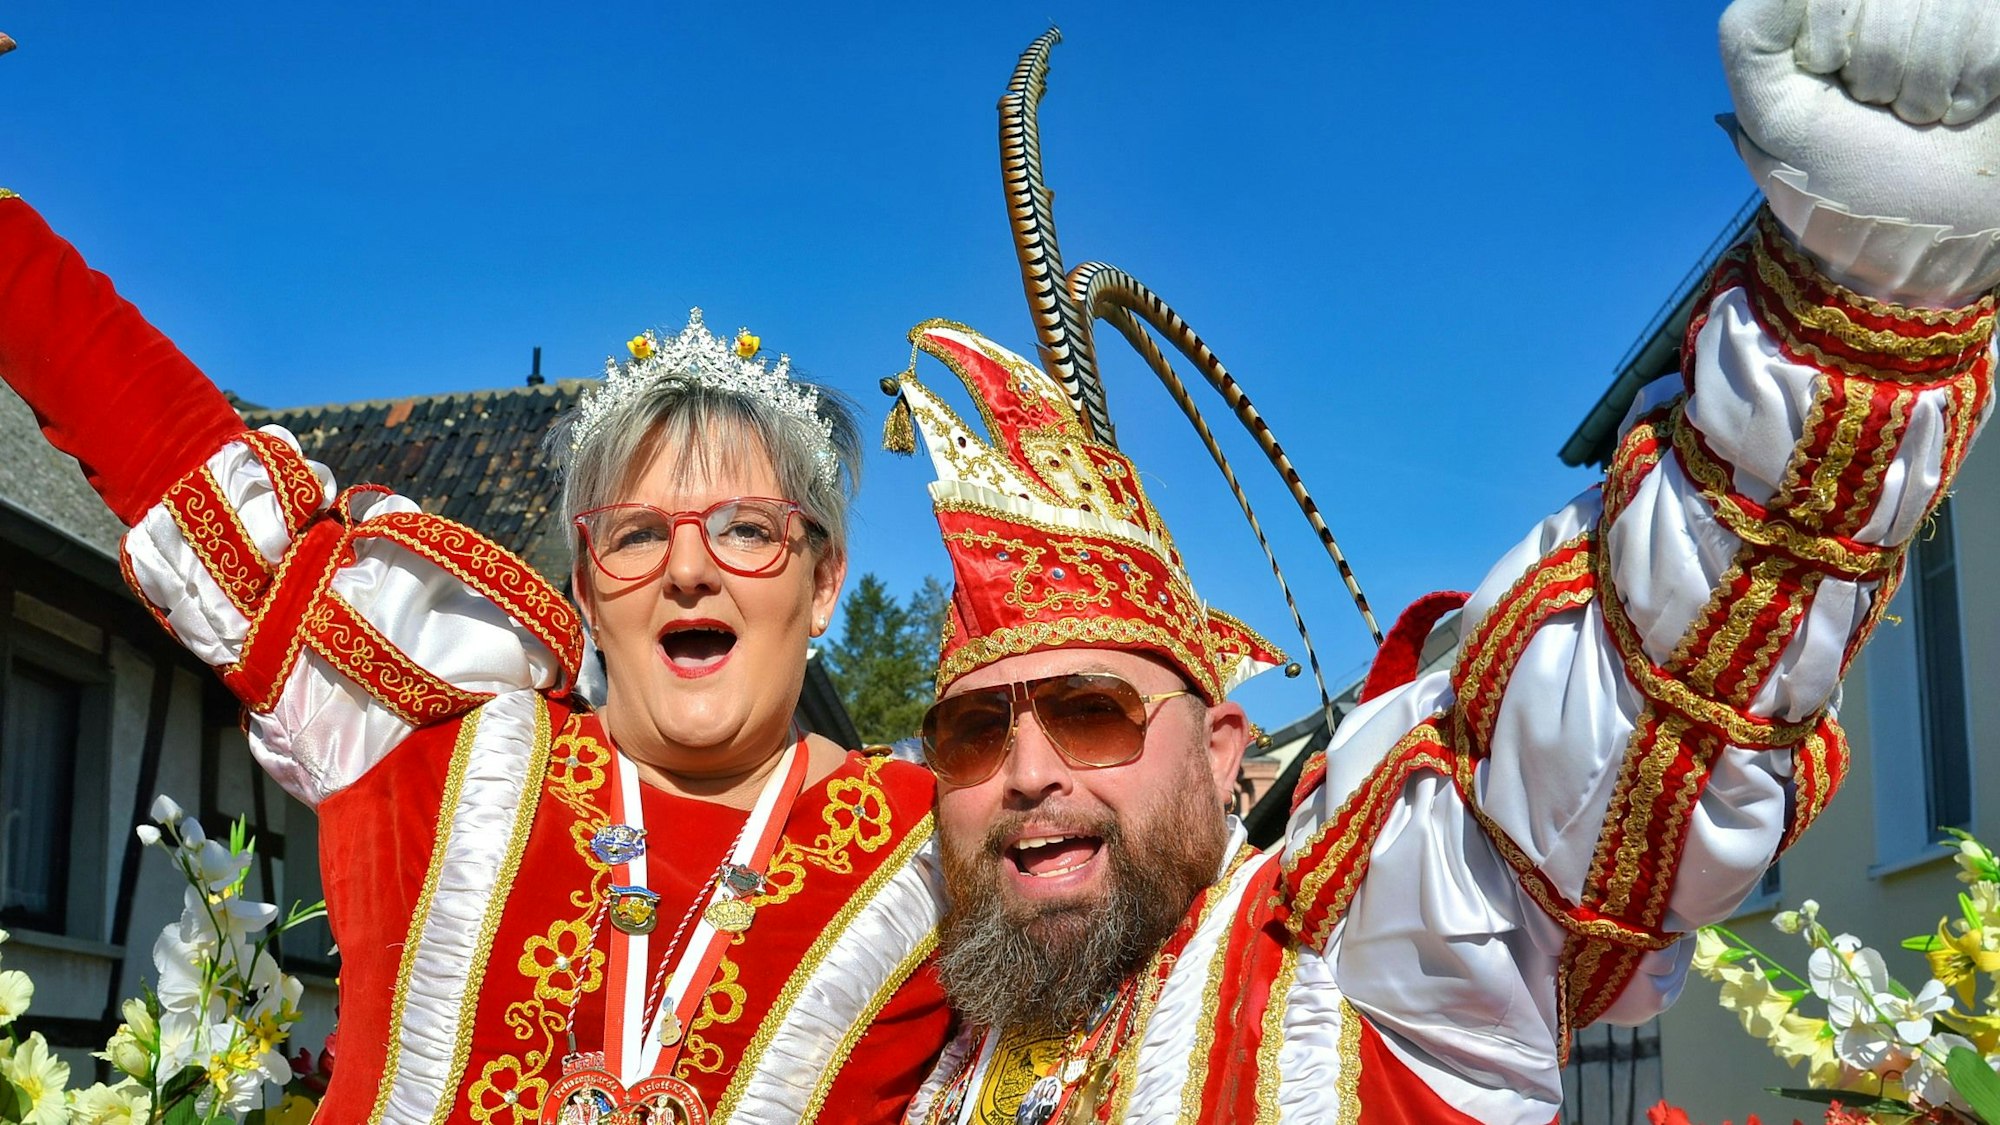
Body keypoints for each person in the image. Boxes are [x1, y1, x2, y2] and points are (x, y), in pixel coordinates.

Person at [883, 1, 2000, 1121]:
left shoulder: (1348, 952)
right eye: (973, 734)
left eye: (1090, 714)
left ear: (1225, 747)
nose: (1026, 773)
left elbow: (1614, 729)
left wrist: (1878, 245)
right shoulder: (900, 1042)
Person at [0, 211, 950, 1121]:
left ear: (823, 583)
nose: (690, 570)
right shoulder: (435, 750)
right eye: (638, 535)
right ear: (586, 586)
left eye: (747, 531)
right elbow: (180, 459)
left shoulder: (947, 859)